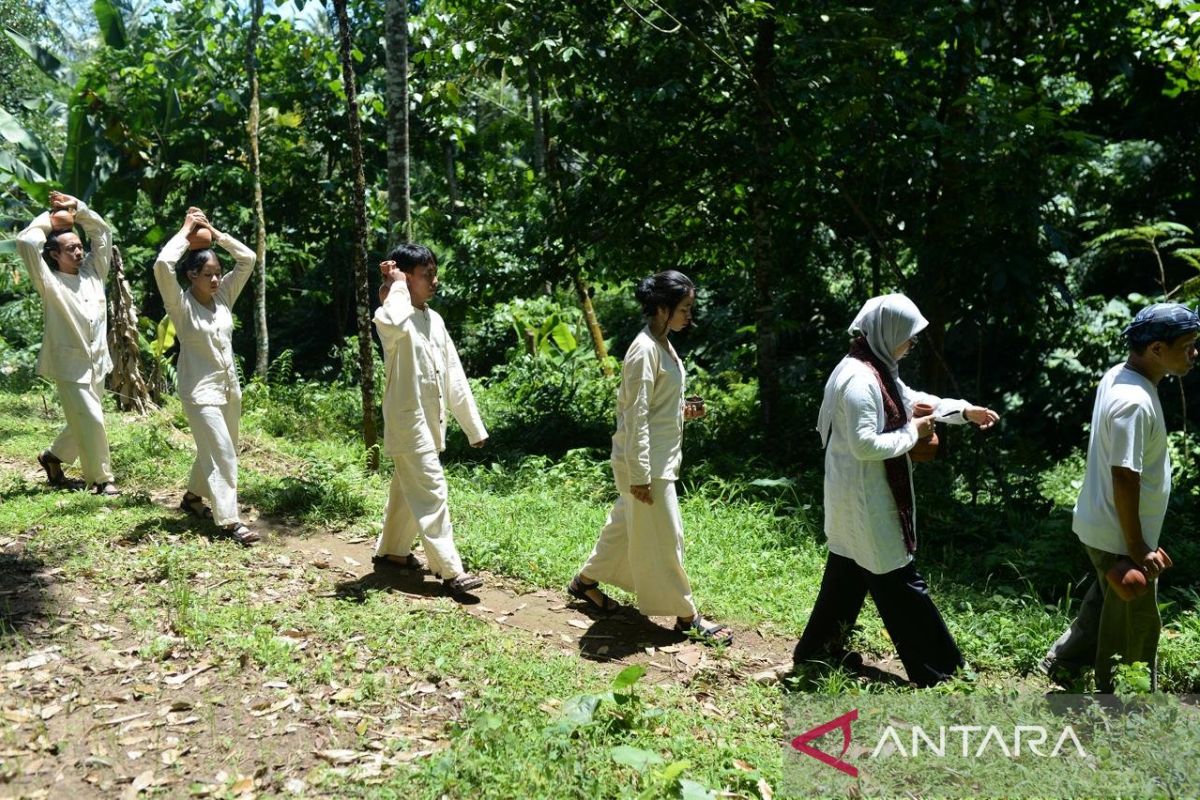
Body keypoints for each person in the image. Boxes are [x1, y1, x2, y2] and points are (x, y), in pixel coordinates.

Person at [793, 294, 999, 687]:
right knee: (900, 581)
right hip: (866, 499)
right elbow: (865, 444)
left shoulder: (875, 367)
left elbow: (911, 399)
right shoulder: (859, 380)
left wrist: (963, 411)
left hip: (859, 496)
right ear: (887, 333)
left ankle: (817, 653)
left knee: (847, 575)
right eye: (909, 336)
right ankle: (941, 673)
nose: (912, 344)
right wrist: (913, 432)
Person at [568, 271, 731, 645]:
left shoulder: (662, 343)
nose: (690, 315)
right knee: (667, 537)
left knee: (623, 528)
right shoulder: (643, 350)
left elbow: (654, 404)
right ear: (662, 308)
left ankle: (585, 582)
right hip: (646, 466)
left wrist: (681, 410)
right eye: (685, 308)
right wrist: (640, 474)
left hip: (656, 459)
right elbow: (634, 414)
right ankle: (686, 616)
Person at [1041, 303, 1196, 693]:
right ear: (1157, 349)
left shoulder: (1120, 376)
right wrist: (1137, 546)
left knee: (1106, 602)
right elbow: (1125, 476)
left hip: (1104, 525)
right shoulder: (1134, 403)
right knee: (1135, 626)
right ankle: (1124, 704)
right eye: (1189, 345)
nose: (1195, 353)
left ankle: (1065, 662)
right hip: (1119, 536)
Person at [372, 244, 487, 596]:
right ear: (406, 278)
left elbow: (454, 375)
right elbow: (390, 319)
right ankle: (451, 570)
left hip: (430, 422)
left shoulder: (433, 319)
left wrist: (473, 427)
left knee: (407, 494)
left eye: (435, 273)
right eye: (427, 275)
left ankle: (392, 552)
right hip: (408, 423)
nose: (435, 281)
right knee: (432, 489)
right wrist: (396, 287)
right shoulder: (393, 316)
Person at [153, 208, 259, 545]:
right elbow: (161, 266)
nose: (215, 280)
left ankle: (192, 498)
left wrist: (216, 233)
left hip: (229, 389)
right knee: (223, 452)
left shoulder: (223, 297)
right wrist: (186, 232)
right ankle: (229, 520)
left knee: (215, 449)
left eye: (218, 273)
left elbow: (249, 258)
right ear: (191, 276)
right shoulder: (181, 307)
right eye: (207, 274)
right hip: (199, 393)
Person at [16, 191, 119, 495]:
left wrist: (78, 209)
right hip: (69, 365)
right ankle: (101, 480)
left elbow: (102, 234)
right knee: (92, 419)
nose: (78, 252)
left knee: (85, 418)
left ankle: (53, 457)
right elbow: (25, 243)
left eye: (79, 247)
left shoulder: (94, 273)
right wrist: (49, 220)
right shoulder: (49, 282)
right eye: (70, 248)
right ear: (54, 255)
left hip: (98, 361)